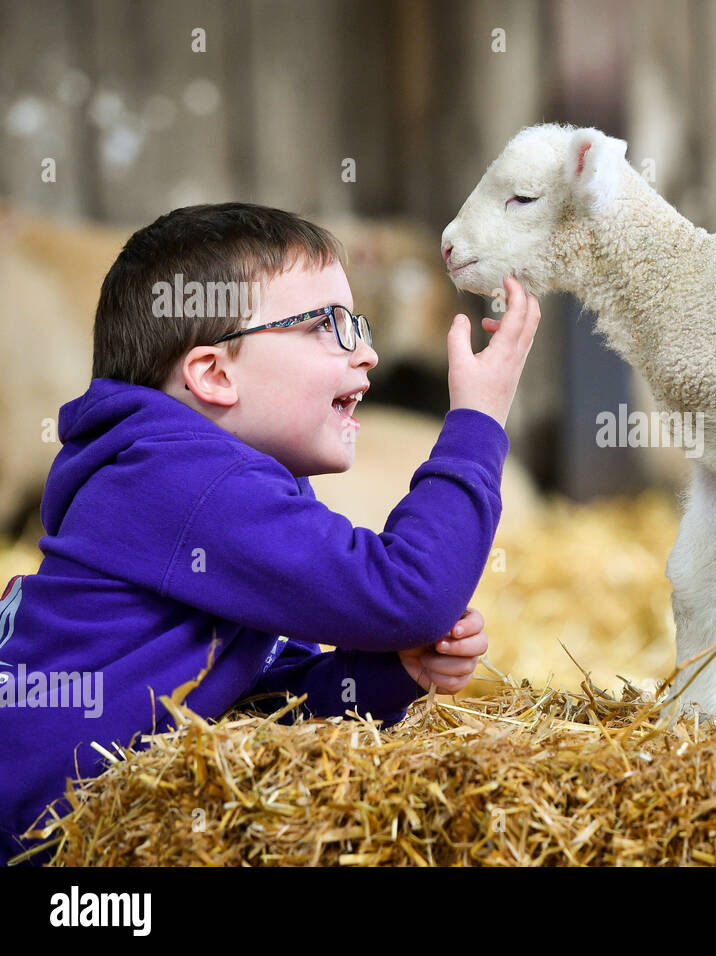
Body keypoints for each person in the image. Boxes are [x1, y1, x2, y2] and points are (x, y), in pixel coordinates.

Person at [0, 202, 540, 865]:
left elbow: (245, 694)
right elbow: (410, 593)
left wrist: (392, 671)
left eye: (359, 324)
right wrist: (478, 423)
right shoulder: (196, 482)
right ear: (214, 375)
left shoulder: (172, 475)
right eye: (327, 327)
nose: (366, 352)